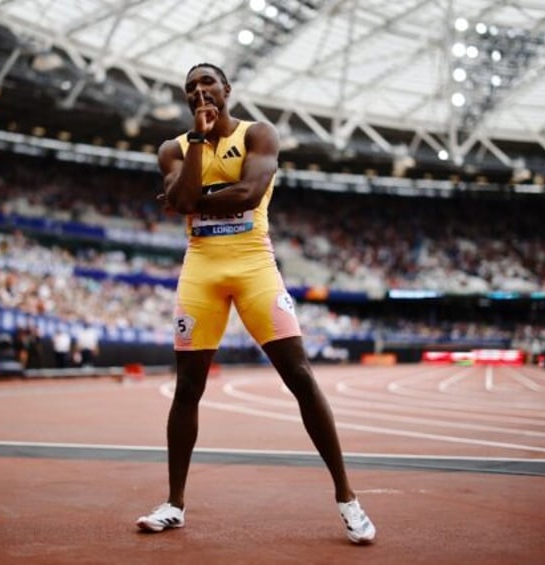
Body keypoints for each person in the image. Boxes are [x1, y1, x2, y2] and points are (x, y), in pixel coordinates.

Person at [136, 63, 375, 544]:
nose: (199, 92)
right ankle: (174, 503)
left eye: (207, 83)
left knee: (301, 377)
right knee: (187, 389)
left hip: (254, 268)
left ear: (227, 89)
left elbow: (248, 192)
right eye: (190, 88)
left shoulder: (258, 134)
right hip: (200, 271)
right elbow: (185, 201)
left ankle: (347, 499)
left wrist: (192, 196)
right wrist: (200, 152)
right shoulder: (174, 148)